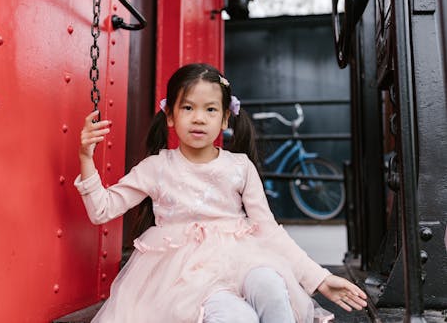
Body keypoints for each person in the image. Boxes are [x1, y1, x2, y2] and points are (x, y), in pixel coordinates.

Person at [75, 63, 367, 323]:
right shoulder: (157, 168)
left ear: (225, 119)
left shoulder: (239, 167)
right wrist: (86, 158)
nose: (199, 118)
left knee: (273, 290)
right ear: (170, 116)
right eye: (188, 108)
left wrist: (321, 279)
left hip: (244, 259)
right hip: (185, 277)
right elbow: (103, 209)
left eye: (210, 109)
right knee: (235, 317)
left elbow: (269, 232)